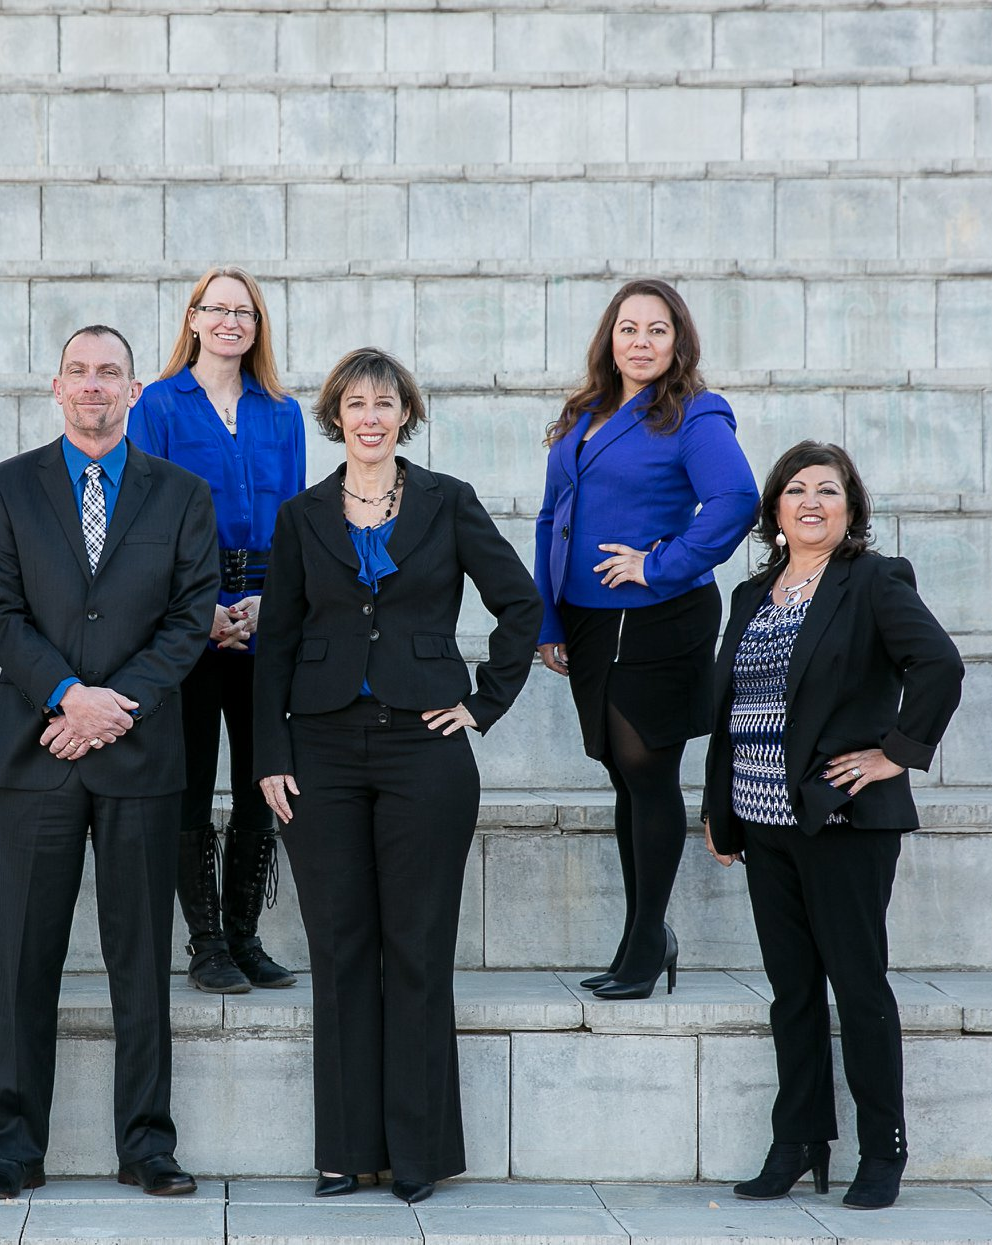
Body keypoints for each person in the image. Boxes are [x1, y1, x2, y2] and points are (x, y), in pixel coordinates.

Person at [256, 348, 543, 1205]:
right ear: (335, 417)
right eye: (355, 404)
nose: (370, 417)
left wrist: (482, 703)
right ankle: (347, 1151)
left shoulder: (447, 501)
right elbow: (276, 640)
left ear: (405, 414)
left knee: (416, 948)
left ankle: (416, 1153)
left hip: (425, 748)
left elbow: (520, 603)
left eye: (384, 403)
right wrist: (269, 754)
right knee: (340, 948)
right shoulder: (302, 514)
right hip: (321, 749)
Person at [0, 325, 219, 1201]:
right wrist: (70, 696)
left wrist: (114, 706)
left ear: (134, 389)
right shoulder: (5, 487)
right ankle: (12, 1147)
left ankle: (147, 1144)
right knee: (23, 960)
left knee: (141, 961)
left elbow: (189, 618)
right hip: (38, 750)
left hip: (139, 754)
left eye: (109, 373)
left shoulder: (182, 494)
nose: (93, 385)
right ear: (56, 385)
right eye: (78, 371)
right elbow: (1, 613)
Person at [703, 441, 962, 1212]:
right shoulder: (750, 593)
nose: (810, 501)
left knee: (856, 984)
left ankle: (882, 1149)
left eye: (827, 489)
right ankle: (798, 1140)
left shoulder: (873, 581)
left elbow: (939, 664)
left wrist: (895, 754)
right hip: (762, 821)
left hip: (842, 820)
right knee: (791, 991)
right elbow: (730, 709)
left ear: (850, 508)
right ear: (773, 510)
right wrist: (719, 808)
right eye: (795, 489)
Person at [532, 277, 757, 1000]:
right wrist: (547, 618)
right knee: (622, 775)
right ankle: (645, 937)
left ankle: (644, 942)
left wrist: (658, 563)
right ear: (609, 338)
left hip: (657, 615)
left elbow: (736, 499)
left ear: (677, 340)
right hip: (590, 617)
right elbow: (550, 516)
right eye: (628, 328)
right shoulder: (584, 412)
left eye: (657, 329)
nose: (640, 341)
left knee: (647, 771)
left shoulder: (694, 412)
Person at [128, 265, 306, 994]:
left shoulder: (282, 412)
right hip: (189, 616)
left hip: (266, 613)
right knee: (193, 779)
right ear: (193, 318)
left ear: (258, 327)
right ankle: (205, 944)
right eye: (217, 309)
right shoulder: (158, 404)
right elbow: (145, 516)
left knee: (262, 777)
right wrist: (196, 608)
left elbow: (296, 516)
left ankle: (244, 936)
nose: (231, 321)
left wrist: (272, 600)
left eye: (245, 312)